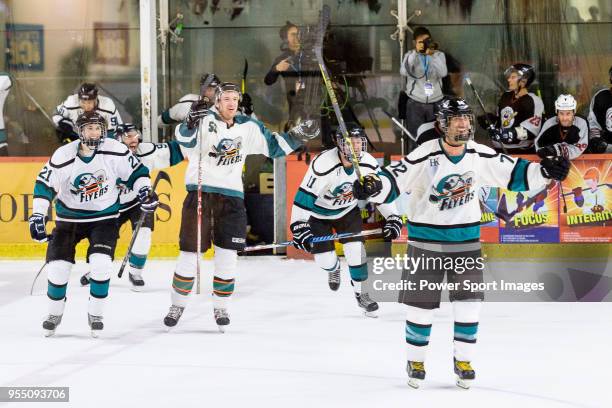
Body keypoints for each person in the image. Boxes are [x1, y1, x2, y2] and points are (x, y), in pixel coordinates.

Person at [351, 98, 569, 388]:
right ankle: (415, 360)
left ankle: (463, 360)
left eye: (466, 118)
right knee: (421, 306)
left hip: (465, 242)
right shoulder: (425, 154)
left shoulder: (479, 154)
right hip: (425, 243)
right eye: (456, 119)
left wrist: (544, 171)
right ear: (442, 124)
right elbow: (393, 181)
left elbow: (514, 172)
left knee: (469, 305)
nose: (464, 124)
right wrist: (374, 186)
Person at [164, 82, 318, 331]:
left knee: (227, 257)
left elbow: (274, 147)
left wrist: (297, 135)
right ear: (217, 101)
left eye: (235, 99)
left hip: (232, 200)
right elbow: (184, 140)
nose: (232, 103)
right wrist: (190, 121)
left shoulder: (249, 126)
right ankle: (177, 304)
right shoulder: (204, 120)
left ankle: (221, 308)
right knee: (189, 256)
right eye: (227, 99)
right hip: (200, 195)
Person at [28, 112, 157, 337]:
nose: (95, 133)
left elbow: (137, 173)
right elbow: (44, 185)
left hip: (104, 218)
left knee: (101, 263)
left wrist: (145, 191)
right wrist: (38, 215)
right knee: (58, 268)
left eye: (98, 128)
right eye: (89, 129)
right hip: (69, 220)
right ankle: (54, 313)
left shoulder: (115, 149)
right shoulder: (64, 155)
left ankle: (96, 314)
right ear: (80, 132)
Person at [290, 123, 402, 315]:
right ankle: (333, 268)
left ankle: (362, 294)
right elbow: (303, 197)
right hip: (319, 215)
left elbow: (378, 193)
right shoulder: (323, 164)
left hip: (347, 211)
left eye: (359, 142)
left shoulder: (367, 162)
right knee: (324, 260)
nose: (355, 147)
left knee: (356, 251)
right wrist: (299, 226)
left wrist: (393, 217)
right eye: (350, 143)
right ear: (338, 143)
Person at [79, 123, 187, 290]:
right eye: (128, 136)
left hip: (138, 202)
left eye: (135, 135)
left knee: (143, 233)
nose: (134, 140)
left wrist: (198, 141)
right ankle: (96, 271)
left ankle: (135, 272)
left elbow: (177, 150)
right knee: (103, 238)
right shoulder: (107, 154)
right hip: (112, 205)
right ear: (119, 138)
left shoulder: (146, 150)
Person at [479, 63, 544, 153]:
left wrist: (512, 134)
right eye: (509, 77)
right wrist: (491, 120)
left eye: (513, 77)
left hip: (521, 151)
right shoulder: (506, 96)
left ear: (524, 80)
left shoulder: (533, 101)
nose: (509, 80)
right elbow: (502, 121)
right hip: (500, 148)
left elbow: (532, 130)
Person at [399, 26, 447, 138]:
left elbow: (443, 73)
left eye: (427, 41)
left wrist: (432, 55)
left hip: (436, 102)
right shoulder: (409, 55)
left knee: (438, 138)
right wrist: (415, 54)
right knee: (416, 138)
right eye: (421, 42)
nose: (424, 44)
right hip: (415, 102)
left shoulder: (439, 55)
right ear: (414, 43)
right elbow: (403, 72)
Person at [52, 83, 123, 144]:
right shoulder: (71, 102)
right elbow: (56, 114)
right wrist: (64, 123)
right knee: (60, 129)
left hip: (100, 137)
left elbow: (116, 130)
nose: (86, 106)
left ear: (95, 99)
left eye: (89, 102)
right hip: (77, 135)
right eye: (83, 102)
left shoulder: (107, 105)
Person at [535, 94, 589, 160]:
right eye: (561, 113)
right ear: (557, 112)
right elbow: (539, 146)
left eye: (568, 113)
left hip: (580, 165)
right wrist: (546, 154)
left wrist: (559, 150)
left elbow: (580, 147)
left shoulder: (581, 123)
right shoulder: (549, 123)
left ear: (574, 112)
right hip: (553, 165)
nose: (564, 118)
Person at [586, 65, 612, 153]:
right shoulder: (600, 97)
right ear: (610, 79)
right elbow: (593, 124)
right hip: (607, 147)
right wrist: (597, 141)